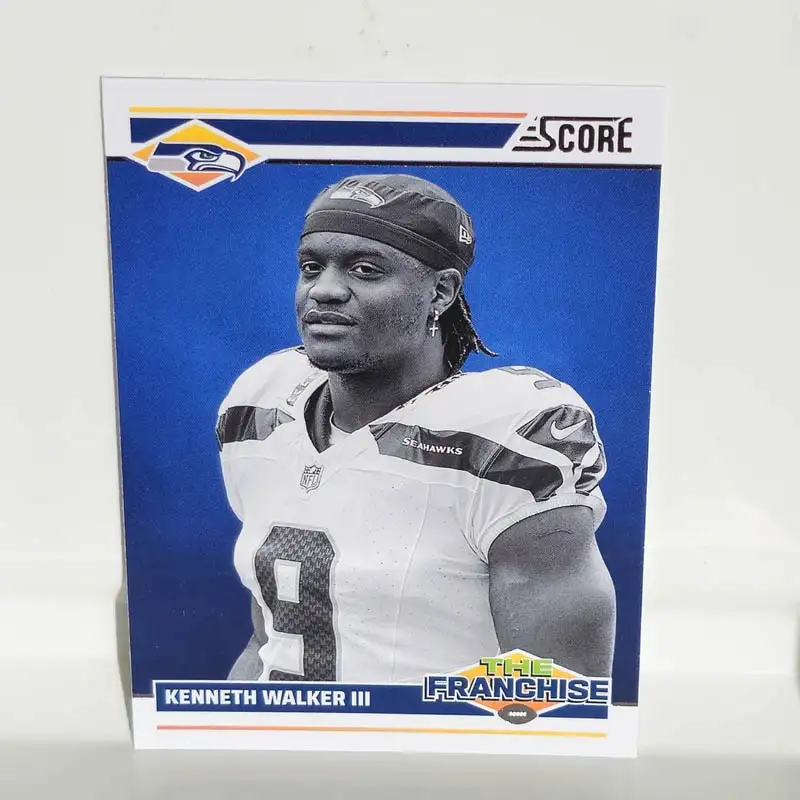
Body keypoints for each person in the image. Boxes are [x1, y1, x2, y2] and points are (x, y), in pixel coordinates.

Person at [216, 174, 615, 684]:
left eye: (365, 270)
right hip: (280, 731)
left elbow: (558, 695)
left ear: (441, 292)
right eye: (311, 267)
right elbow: (266, 643)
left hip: (432, 737)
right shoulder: (264, 405)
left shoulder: (506, 437)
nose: (325, 290)